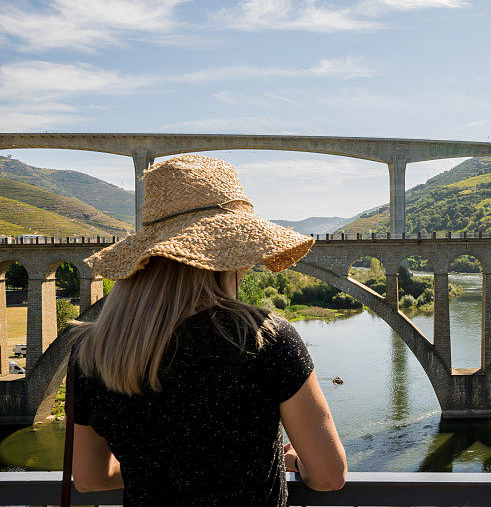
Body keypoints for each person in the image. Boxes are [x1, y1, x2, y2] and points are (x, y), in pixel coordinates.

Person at [70, 154, 347, 506]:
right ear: (225, 259)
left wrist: (157, 468)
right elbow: (328, 476)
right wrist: (294, 462)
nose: (246, 268)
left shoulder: (93, 353)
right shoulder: (265, 337)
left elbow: (91, 479)